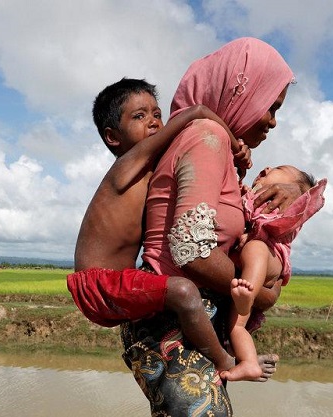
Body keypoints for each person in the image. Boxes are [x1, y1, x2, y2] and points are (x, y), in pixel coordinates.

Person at [121, 37, 302, 416]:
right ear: (242, 93)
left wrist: (288, 192)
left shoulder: (214, 143)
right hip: (176, 323)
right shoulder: (207, 138)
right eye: (270, 106)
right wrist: (258, 290)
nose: (272, 120)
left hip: (180, 322)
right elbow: (191, 250)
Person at [67, 78, 252, 372]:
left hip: (118, 281)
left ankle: (229, 342)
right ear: (113, 137)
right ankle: (225, 361)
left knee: (187, 295)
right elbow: (197, 111)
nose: (154, 123)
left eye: (156, 114)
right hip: (99, 285)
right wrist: (233, 143)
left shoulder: (152, 170)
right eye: (139, 116)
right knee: (183, 291)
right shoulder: (125, 166)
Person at [221, 165, 327, 381]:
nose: (267, 168)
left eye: (278, 168)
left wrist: (299, 193)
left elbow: (312, 199)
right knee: (236, 326)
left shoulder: (287, 205)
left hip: (270, 257)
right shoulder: (250, 195)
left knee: (255, 248)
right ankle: (249, 362)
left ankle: (247, 296)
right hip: (249, 267)